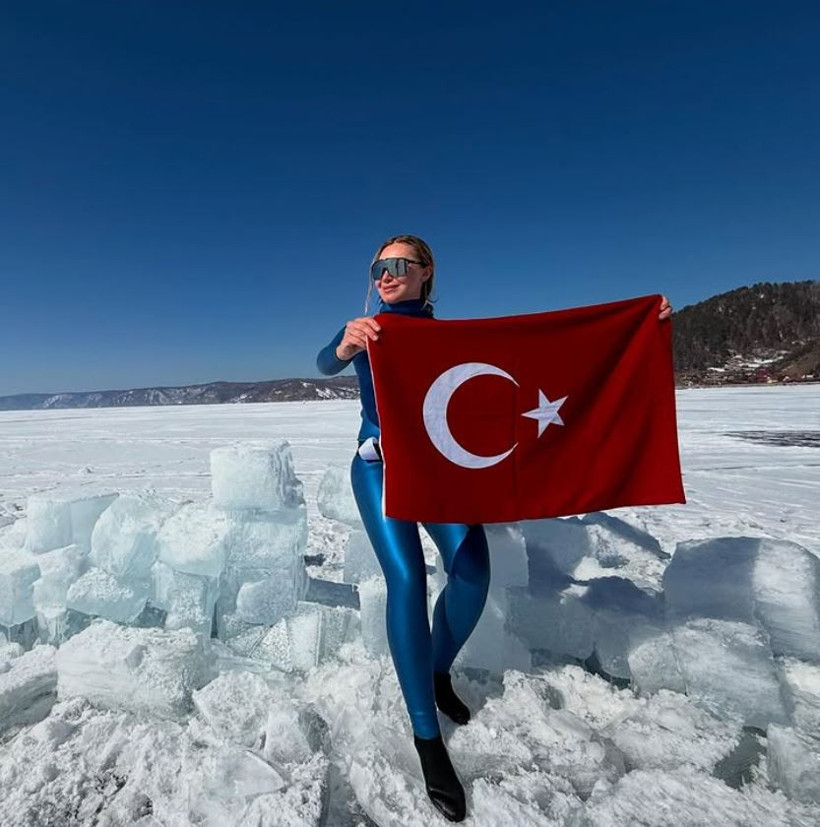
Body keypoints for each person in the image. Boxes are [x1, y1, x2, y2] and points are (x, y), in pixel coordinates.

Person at [317, 234, 673, 822]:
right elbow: (324, 362)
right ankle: (427, 738)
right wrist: (344, 343)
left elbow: (542, 357)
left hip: (436, 470)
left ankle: (436, 671)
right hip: (379, 468)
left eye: (400, 264)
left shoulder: (450, 340)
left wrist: (639, 327)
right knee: (407, 579)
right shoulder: (369, 330)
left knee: (472, 572)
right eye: (379, 266)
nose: (386, 274)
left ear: (427, 272)